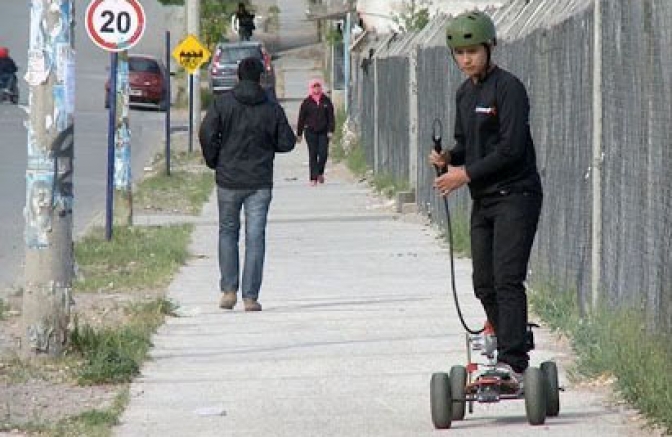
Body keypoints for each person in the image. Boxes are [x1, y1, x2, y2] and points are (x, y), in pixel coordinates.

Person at [430, 11, 543, 384]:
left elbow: (510, 149)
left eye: (473, 51)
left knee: (507, 278)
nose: (466, 59)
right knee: (483, 281)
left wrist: (464, 174)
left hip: (516, 194)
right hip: (485, 198)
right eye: (459, 53)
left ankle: (514, 360)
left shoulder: (508, 88)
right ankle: (505, 333)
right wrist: (449, 158)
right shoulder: (465, 93)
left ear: (488, 48)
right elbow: (468, 144)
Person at [199, 57, 296, 312]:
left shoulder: (222, 104)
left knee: (228, 232)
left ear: (238, 76)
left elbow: (207, 133)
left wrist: (214, 160)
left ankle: (229, 291)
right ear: (261, 77)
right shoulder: (271, 108)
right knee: (255, 237)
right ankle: (250, 297)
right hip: (259, 181)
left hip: (228, 179)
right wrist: (268, 143)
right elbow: (287, 142)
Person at [296, 79, 335, 185]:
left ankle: (320, 172)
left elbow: (331, 117)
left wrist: (331, 130)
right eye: (314, 86)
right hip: (310, 132)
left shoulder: (326, 101)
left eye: (318, 86)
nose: (316, 89)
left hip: (323, 132)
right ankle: (313, 178)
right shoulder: (306, 102)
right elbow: (301, 119)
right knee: (313, 154)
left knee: (323, 153)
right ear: (311, 88)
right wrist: (299, 134)